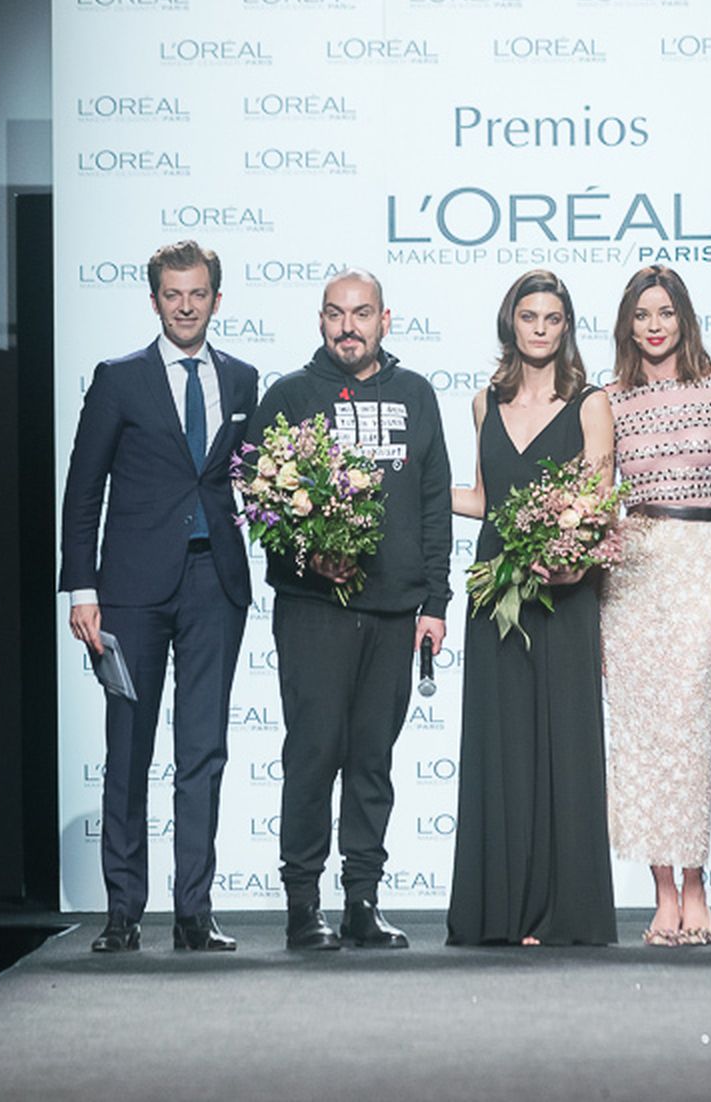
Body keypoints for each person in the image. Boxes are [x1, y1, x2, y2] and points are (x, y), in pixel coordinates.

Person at [60, 240, 259, 954]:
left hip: (216, 584)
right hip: (131, 593)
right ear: (154, 300)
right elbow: (83, 491)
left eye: (197, 293)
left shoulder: (241, 380)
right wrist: (82, 588)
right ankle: (123, 912)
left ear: (215, 298)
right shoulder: (119, 380)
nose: (184, 305)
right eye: (172, 294)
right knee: (128, 749)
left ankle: (194, 914)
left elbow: (253, 478)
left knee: (203, 751)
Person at [247, 269, 452, 951]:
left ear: (385, 320)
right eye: (335, 314)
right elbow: (260, 507)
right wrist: (306, 557)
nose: (348, 326)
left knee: (372, 760)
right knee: (313, 754)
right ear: (320, 321)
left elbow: (432, 504)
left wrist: (435, 602)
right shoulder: (288, 396)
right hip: (315, 609)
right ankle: (303, 907)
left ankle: (362, 901)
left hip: (396, 611)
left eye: (361, 313)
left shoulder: (416, 394)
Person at [446, 269, 618, 946]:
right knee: (502, 745)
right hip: (497, 591)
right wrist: (411, 490)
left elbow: (598, 502)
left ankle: (560, 913)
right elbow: (487, 498)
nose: (540, 329)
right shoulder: (484, 402)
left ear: (566, 327)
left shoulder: (591, 403)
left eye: (552, 318)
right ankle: (501, 911)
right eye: (529, 317)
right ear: (510, 324)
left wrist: (568, 556)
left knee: (564, 747)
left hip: (564, 590)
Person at [600, 266, 711, 947]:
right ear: (627, 324)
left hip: (704, 556)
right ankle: (660, 892)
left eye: (665, 312)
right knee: (641, 734)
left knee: (688, 727)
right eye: (641, 314)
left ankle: (697, 884)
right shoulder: (611, 398)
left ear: (684, 317)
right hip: (633, 565)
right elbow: (597, 496)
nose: (654, 325)